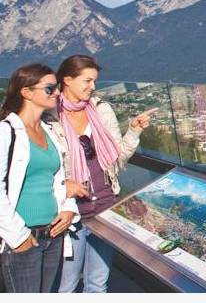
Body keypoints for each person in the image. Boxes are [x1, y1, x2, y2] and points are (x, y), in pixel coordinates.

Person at [49, 55, 154, 293]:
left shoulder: (101, 110)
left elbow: (117, 159)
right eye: (87, 81)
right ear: (67, 80)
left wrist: (134, 131)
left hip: (105, 209)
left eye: (95, 81)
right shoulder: (51, 116)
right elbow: (43, 168)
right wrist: (64, 185)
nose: (93, 87)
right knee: (66, 286)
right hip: (71, 214)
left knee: (98, 285)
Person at [0, 63, 79, 292]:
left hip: (53, 236)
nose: (57, 92)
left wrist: (68, 208)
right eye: (49, 88)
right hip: (22, 238)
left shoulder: (50, 131)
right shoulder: (6, 132)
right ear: (26, 92)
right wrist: (19, 237)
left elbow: (59, 178)